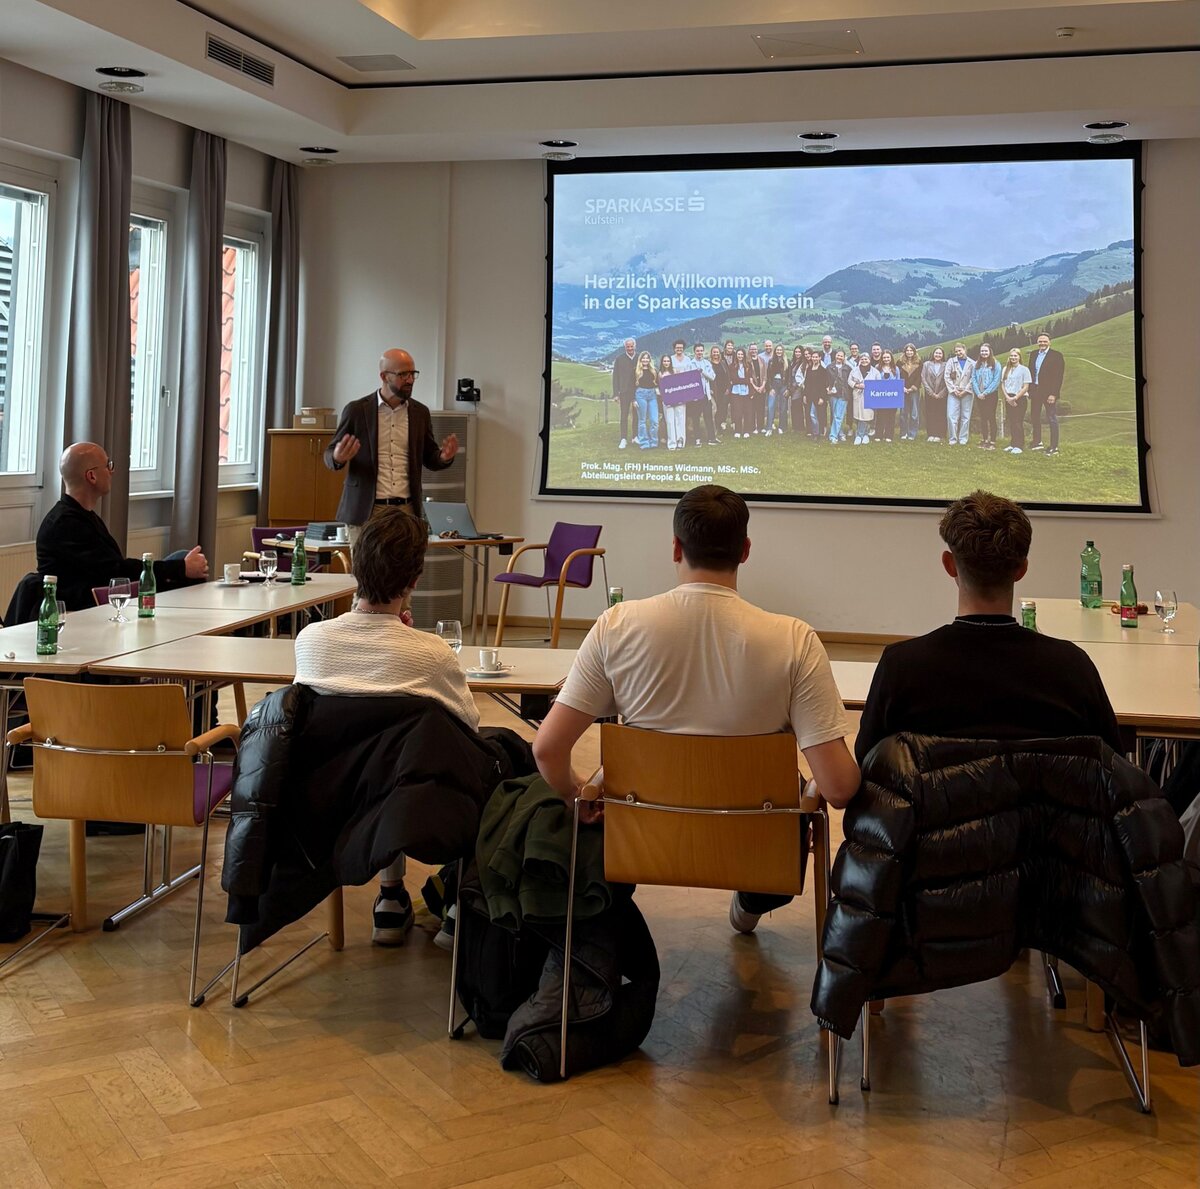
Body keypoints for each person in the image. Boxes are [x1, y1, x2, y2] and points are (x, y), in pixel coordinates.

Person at [532, 485, 860, 934]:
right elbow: (839, 787)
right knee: (798, 803)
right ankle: (752, 901)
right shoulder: (794, 640)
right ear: (745, 551)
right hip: (757, 851)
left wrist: (578, 798)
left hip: (640, 844)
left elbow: (547, 750)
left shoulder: (618, 625)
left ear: (675, 547)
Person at [293, 507, 480, 945]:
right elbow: (467, 727)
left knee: (385, 759)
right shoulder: (430, 655)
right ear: (414, 580)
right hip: (413, 806)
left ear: (356, 567)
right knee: (482, 760)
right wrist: (408, 640)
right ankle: (458, 902)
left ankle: (391, 899)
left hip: (332, 803)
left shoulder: (310, 641)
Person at [855, 490, 1122, 762]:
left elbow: (868, 763)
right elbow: (1113, 763)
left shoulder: (901, 667)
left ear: (949, 565)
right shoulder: (1072, 668)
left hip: (932, 806)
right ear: (1022, 569)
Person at [36, 442, 208, 611]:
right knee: (183, 566)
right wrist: (181, 568)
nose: (112, 471)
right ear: (92, 476)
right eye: (108, 465)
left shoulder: (81, 515)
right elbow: (115, 571)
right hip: (91, 602)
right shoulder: (65, 523)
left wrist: (179, 567)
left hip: (107, 590)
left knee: (183, 559)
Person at [324, 349, 458, 547]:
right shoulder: (357, 410)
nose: (410, 380)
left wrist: (444, 457)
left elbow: (430, 457)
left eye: (413, 374)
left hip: (406, 510)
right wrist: (338, 456)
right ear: (384, 376)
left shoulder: (420, 412)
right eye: (403, 374)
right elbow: (329, 454)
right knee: (367, 576)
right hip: (367, 511)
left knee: (405, 574)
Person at [1028, 331, 1066, 455]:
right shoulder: (1033, 354)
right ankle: (1037, 441)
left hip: (1049, 393)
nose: (1042, 343)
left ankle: (1054, 447)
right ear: (1037, 342)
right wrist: (1029, 390)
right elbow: (1031, 373)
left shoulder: (1056, 356)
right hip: (1035, 391)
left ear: (1049, 342)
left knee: (1051, 418)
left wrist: (1053, 394)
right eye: (1040, 341)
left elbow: (1058, 377)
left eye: (1045, 341)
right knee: (1034, 416)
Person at [1001, 347, 1032, 454]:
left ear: (1019, 357)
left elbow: (1026, 386)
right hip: (1008, 397)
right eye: (1011, 356)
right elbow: (1003, 384)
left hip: (1020, 398)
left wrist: (1015, 398)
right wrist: (1007, 398)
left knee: (1018, 421)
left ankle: (1019, 445)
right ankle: (1013, 443)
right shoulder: (1005, 369)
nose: (1013, 358)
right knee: (1011, 421)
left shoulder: (1024, 369)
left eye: (1015, 356)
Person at [971, 342, 1002, 451]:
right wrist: (978, 392)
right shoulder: (977, 364)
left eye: (986, 351)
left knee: (991, 417)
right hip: (979, 394)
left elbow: (996, 380)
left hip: (991, 395)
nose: (984, 353)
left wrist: (986, 392)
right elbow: (973, 378)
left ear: (990, 352)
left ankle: (992, 440)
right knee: (983, 417)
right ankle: (984, 439)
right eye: (982, 351)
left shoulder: (996, 364)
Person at [944, 342, 976, 447]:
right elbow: (947, 377)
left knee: (965, 416)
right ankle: (953, 438)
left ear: (964, 350)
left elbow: (973, 378)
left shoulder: (972, 363)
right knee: (951, 416)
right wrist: (954, 390)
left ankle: (963, 438)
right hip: (954, 392)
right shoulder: (951, 362)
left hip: (967, 392)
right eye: (956, 351)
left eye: (960, 351)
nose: (958, 353)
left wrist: (966, 390)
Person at [611, 337, 638, 450]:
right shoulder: (619, 359)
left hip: (637, 391)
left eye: (632, 346)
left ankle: (635, 436)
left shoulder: (639, 358)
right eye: (628, 346)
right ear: (625, 347)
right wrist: (616, 394)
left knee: (637, 414)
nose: (630, 348)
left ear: (635, 346)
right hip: (624, 391)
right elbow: (615, 377)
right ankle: (623, 439)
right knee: (624, 415)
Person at [849, 351, 877, 446]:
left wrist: (868, 386)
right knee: (858, 415)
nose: (864, 361)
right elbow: (849, 381)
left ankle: (860, 435)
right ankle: (864, 434)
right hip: (857, 395)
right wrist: (857, 385)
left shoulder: (875, 371)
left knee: (866, 415)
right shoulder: (854, 370)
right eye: (862, 359)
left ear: (869, 360)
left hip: (870, 396)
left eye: (866, 359)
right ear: (859, 360)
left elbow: (879, 384)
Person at [921, 345, 948, 442]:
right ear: (933, 354)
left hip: (942, 394)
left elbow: (948, 380)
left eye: (940, 353)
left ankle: (940, 434)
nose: (938, 355)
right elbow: (923, 378)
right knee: (930, 413)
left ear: (942, 355)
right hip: (930, 394)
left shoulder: (946, 365)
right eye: (936, 353)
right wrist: (930, 392)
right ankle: (931, 434)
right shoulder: (926, 364)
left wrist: (941, 393)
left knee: (941, 414)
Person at [633, 351, 659, 449]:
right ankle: (644, 442)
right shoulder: (636, 371)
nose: (645, 360)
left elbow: (657, 384)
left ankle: (654, 441)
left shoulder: (653, 370)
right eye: (643, 358)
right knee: (642, 420)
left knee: (654, 420)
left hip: (652, 395)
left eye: (647, 358)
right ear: (640, 360)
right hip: (640, 395)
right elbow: (632, 386)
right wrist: (633, 400)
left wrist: (657, 390)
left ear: (649, 360)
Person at [826, 349, 851, 445]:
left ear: (844, 357)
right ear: (835, 356)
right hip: (832, 394)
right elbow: (826, 380)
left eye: (841, 356)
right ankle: (840, 433)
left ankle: (833, 436)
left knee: (838, 415)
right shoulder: (829, 367)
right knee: (835, 415)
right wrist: (827, 388)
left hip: (843, 394)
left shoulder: (848, 368)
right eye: (838, 355)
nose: (839, 357)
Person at [898, 344, 922, 441]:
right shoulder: (899, 363)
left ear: (914, 352)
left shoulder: (919, 363)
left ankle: (912, 433)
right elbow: (897, 375)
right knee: (903, 413)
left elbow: (920, 377)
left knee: (914, 413)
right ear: (904, 352)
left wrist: (913, 388)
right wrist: (902, 387)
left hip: (914, 391)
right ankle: (903, 432)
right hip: (902, 390)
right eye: (907, 350)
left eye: (911, 350)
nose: (909, 352)